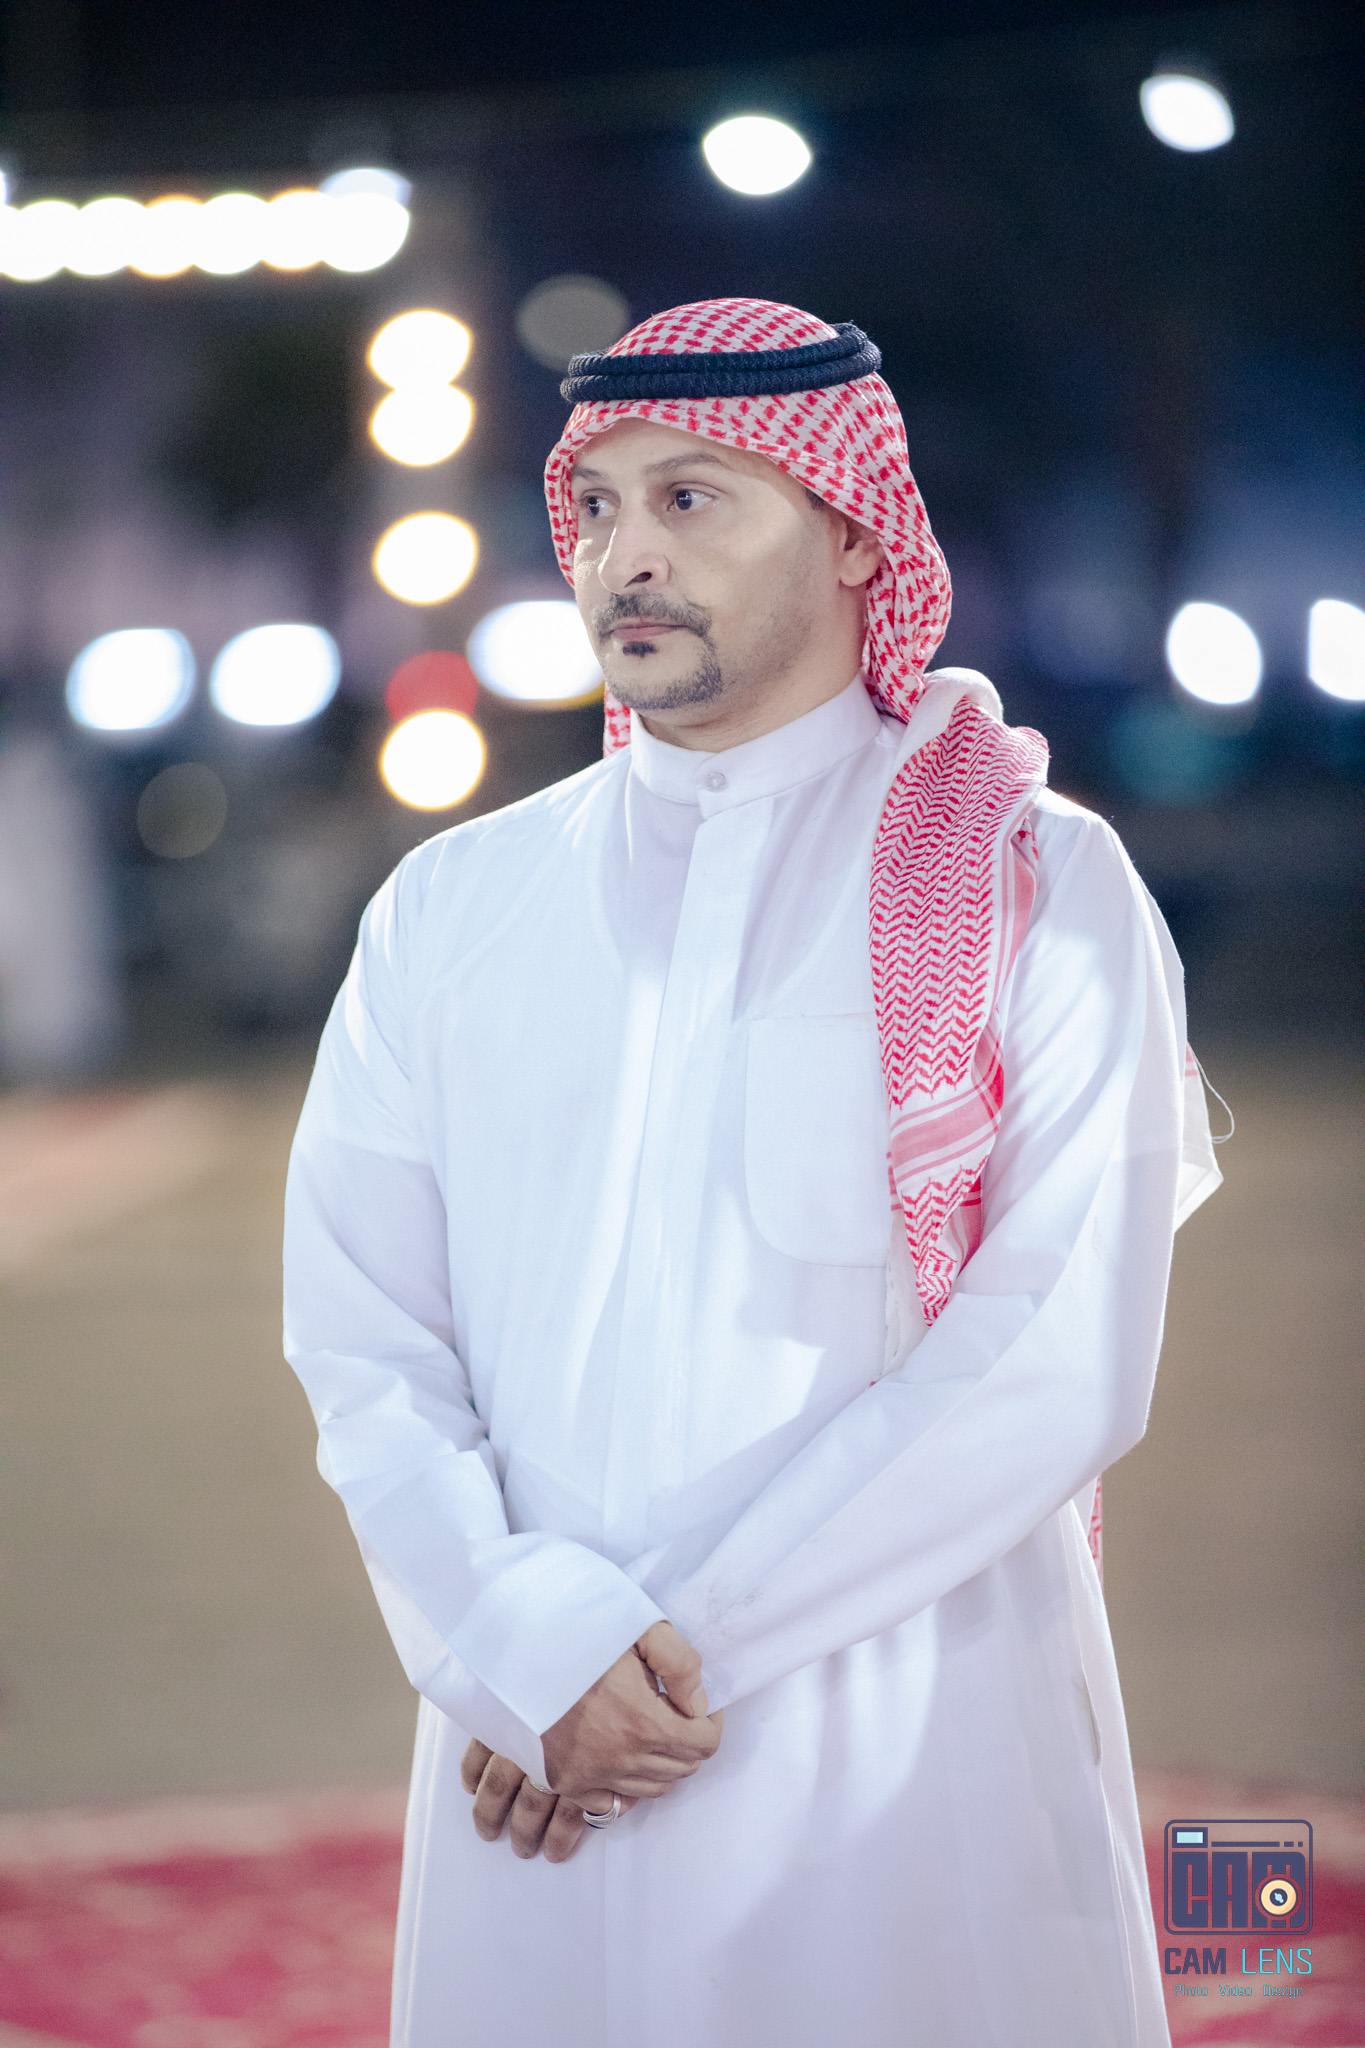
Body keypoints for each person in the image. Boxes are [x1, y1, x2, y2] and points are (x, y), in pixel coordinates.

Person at [283, 298, 1220, 2048]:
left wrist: (641, 1669)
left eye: (690, 500)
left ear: (856, 533)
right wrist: (518, 1633)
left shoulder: (1032, 883)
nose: (623, 557)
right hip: (532, 1719)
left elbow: (1053, 1354)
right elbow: (364, 1338)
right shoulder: (452, 908)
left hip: (892, 1713)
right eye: (596, 509)